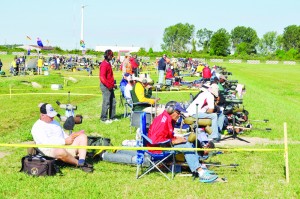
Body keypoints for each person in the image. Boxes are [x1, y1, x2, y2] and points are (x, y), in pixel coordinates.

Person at [147, 101, 218, 183]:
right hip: (158, 149)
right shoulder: (162, 121)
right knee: (186, 147)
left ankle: (199, 167)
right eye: (178, 112)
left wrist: (176, 138)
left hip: (164, 145)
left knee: (188, 140)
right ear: (170, 110)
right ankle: (201, 173)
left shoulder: (168, 119)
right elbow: (155, 141)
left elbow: (165, 136)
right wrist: (173, 141)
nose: (179, 115)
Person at [31, 103, 93, 172]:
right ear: (42, 115)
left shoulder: (55, 122)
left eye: (53, 115)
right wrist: (64, 141)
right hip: (50, 150)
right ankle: (79, 164)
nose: (53, 117)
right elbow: (46, 143)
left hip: (64, 145)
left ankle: (81, 160)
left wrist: (72, 137)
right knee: (60, 151)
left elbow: (63, 134)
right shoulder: (37, 127)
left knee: (82, 137)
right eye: (50, 116)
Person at [99, 49, 117, 124]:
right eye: (111, 55)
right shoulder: (104, 64)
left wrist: (113, 84)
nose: (112, 57)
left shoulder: (108, 63)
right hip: (105, 86)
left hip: (110, 86)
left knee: (113, 102)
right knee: (106, 102)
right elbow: (102, 77)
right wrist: (109, 85)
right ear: (108, 56)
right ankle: (103, 118)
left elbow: (109, 76)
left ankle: (112, 117)